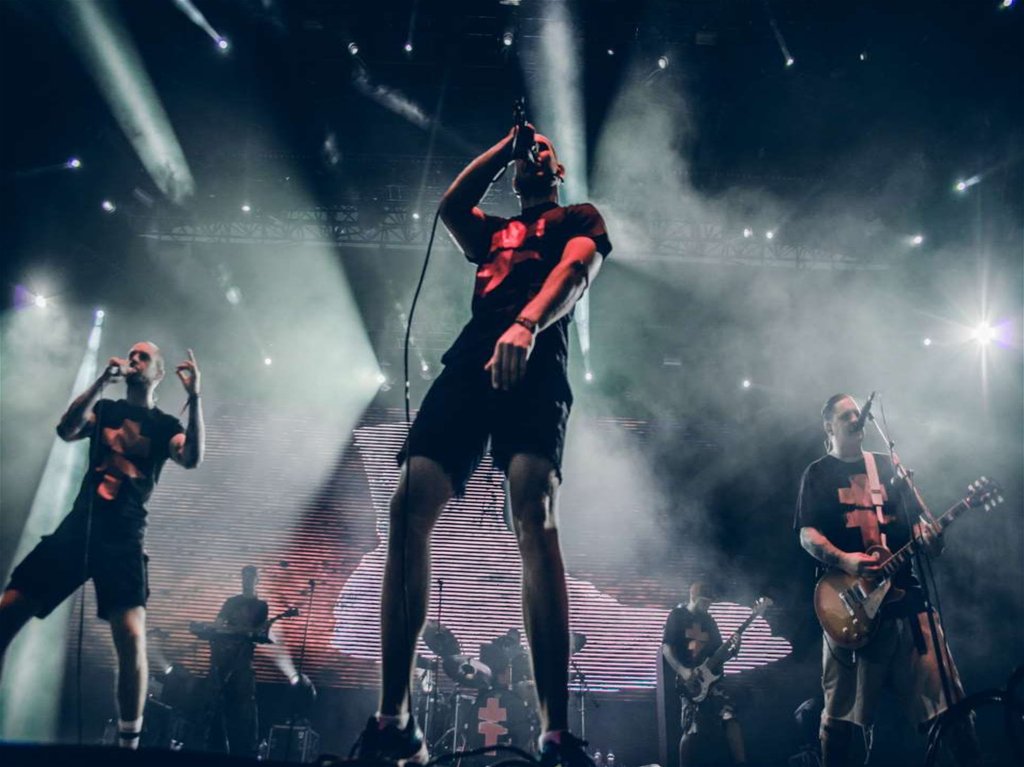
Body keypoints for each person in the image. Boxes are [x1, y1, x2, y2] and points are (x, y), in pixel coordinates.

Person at [355, 123, 612, 767]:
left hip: (537, 357)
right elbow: (450, 208)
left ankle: (555, 733)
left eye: (545, 150)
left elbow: (576, 271)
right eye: (532, 150)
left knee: (534, 514)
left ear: (558, 171)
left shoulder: (578, 217)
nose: (536, 154)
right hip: (471, 359)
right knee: (407, 504)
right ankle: (394, 719)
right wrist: (505, 146)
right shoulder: (495, 230)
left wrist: (527, 323)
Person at [0, 343, 204, 749]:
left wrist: (195, 398)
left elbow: (191, 457)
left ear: (159, 373)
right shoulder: (106, 409)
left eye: (144, 357)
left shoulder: (165, 425)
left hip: (124, 537)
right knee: (7, 612)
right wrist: (98, 382)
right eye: (132, 354)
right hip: (78, 529)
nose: (134, 360)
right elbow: (66, 430)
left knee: (131, 638)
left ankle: (128, 745)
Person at [795, 393, 978, 767]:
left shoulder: (888, 466)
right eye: (846, 415)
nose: (856, 418)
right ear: (829, 426)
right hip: (851, 607)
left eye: (858, 413)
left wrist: (931, 537)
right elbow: (807, 534)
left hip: (908, 604)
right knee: (841, 722)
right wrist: (847, 559)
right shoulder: (817, 473)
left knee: (951, 707)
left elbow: (923, 535)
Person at [661, 581, 747, 766]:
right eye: (704, 601)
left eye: (709, 602)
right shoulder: (677, 616)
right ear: (693, 596)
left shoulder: (710, 621)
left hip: (713, 682)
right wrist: (683, 671)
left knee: (730, 718)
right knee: (691, 729)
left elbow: (718, 656)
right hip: (690, 682)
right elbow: (666, 648)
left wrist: (734, 650)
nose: (707, 605)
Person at [205, 565, 269, 756]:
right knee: (216, 702)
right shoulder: (231, 601)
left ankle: (244, 749)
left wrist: (239, 630)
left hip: (243, 661)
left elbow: (258, 632)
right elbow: (217, 624)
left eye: (250, 577)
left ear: (257, 580)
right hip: (223, 659)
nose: (246, 581)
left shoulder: (262, 606)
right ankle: (214, 745)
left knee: (243, 706)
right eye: (244, 577)